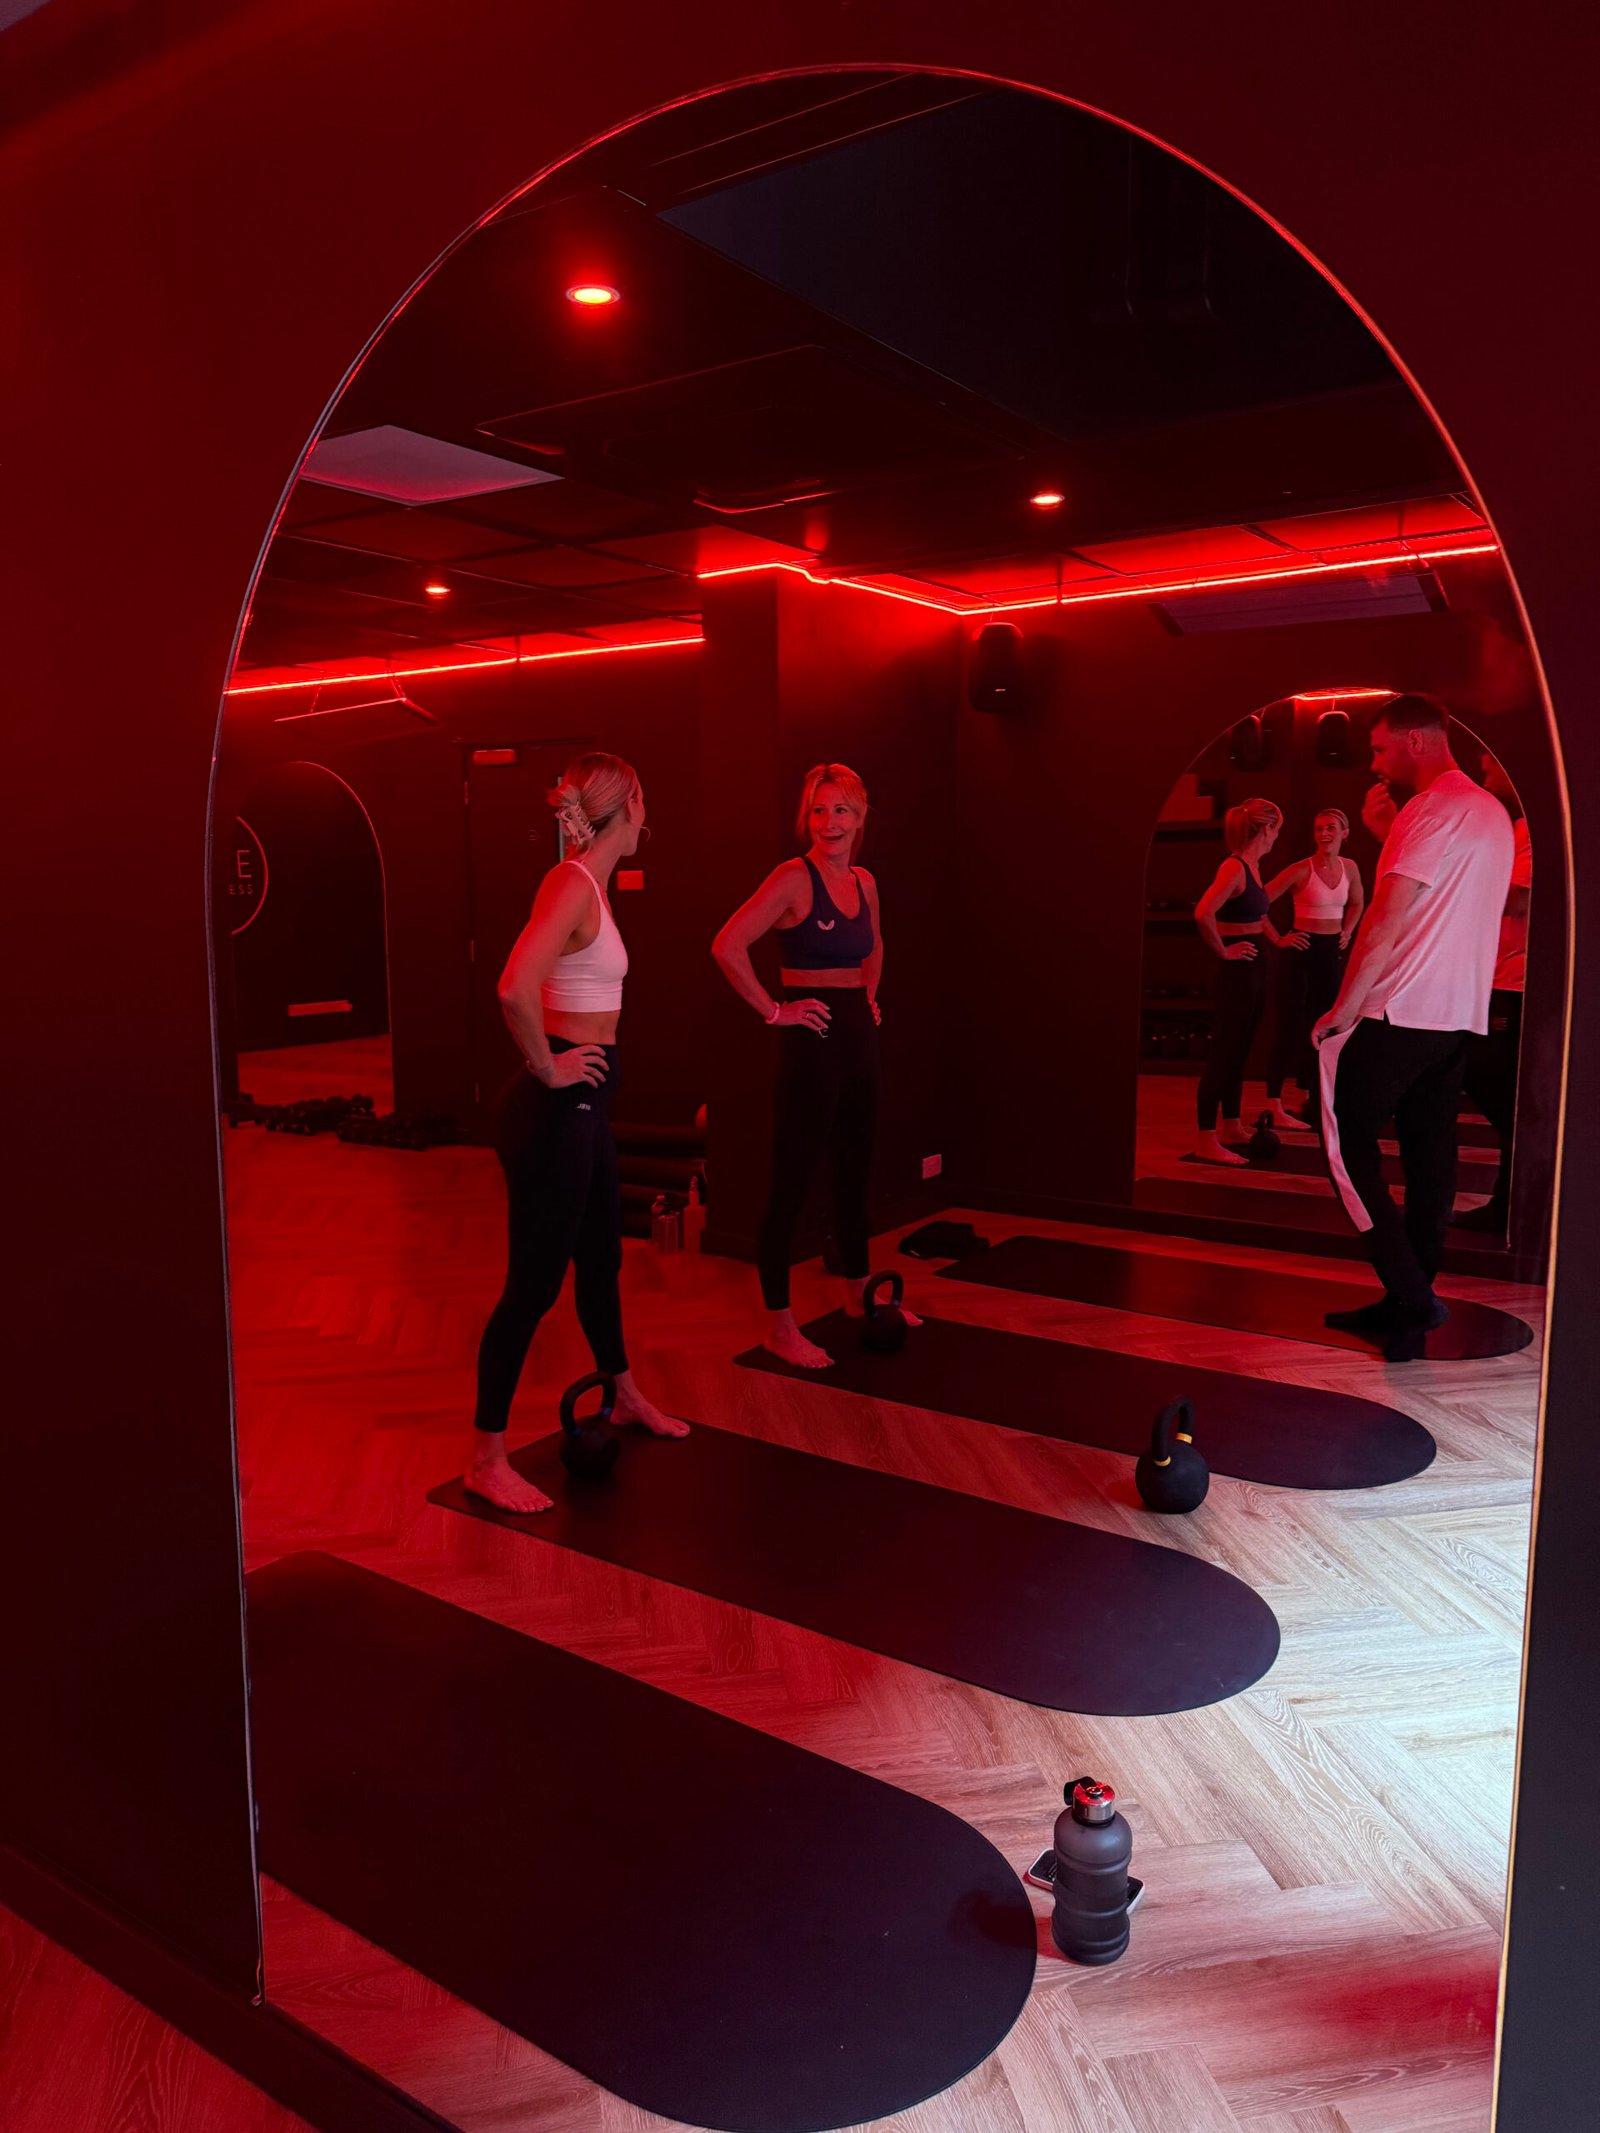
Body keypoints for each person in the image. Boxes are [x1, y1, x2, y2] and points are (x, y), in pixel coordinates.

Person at [464, 752, 685, 1515]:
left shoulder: (589, 883)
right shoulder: (571, 883)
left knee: (600, 1260)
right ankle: (485, 1459)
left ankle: (624, 1392)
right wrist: (547, 1067)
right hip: (557, 1110)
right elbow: (513, 985)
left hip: (586, 1108)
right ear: (633, 804)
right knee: (532, 1285)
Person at [1312, 695, 1514, 1359]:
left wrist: (1344, 1007)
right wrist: (1387, 835)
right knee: (1432, 1161)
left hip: (1399, 1009)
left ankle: (1412, 1293)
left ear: (1416, 740)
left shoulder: (1430, 808)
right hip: (1458, 1015)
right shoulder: (1489, 812)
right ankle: (1409, 1302)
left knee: (1342, 1142)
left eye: (1380, 747)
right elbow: (1441, 896)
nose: (1375, 761)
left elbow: (1387, 918)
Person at [712, 762, 915, 1367]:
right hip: (813, 1044)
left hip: (858, 1040)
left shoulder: (864, 882)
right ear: (807, 818)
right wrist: (775, 1011)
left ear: (860, 815)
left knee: (854, 1176)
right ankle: (780, 1328)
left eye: (841, 810)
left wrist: (868, 997)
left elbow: (875, 944)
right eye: (819, 810)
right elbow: (727, 945)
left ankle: (857, 1297)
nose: (830, 822)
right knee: (790, 1186)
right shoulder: (792, 878)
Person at [1457, 754, 1532, 1233]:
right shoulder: (1518, 828)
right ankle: (1509, 1201)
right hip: (1503, 978)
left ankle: (1517, 1197)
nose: (1484, 769)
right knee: (1494, 1086)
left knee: (1490, 1081)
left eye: (1490, 764)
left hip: (1515, 982)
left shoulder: (1529, 830)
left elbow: (1517, 898)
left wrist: (1457, 881)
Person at [1191, 797, 1287, 1166]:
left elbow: (1256, 917)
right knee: (1224, 1054)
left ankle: (1231, 1126)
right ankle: (1206, 1139)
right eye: (1277, 829)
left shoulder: (1253, 867)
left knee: (1240, 1051)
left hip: (1256, 965)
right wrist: (1223, 951)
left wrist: (1276, 941)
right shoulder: (1233, 868)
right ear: (1267, 829)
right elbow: (1203, 912)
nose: (1277, 836)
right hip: (1238, 971)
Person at [1261, 808, 1365, 1131]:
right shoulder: (1300, 870)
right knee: (1289, 1026)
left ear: (1345, 833)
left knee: (1322, 1026)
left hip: (1330, 952)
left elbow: (1357, 903)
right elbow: (1257, 903)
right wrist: (1279, 939)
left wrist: (1347, 931)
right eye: (1319, 828)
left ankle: (1305, 1097)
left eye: (1331, 828)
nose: (1324, 834)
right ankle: (1273, 1103)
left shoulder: (1350, 868)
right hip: (1301, 952)